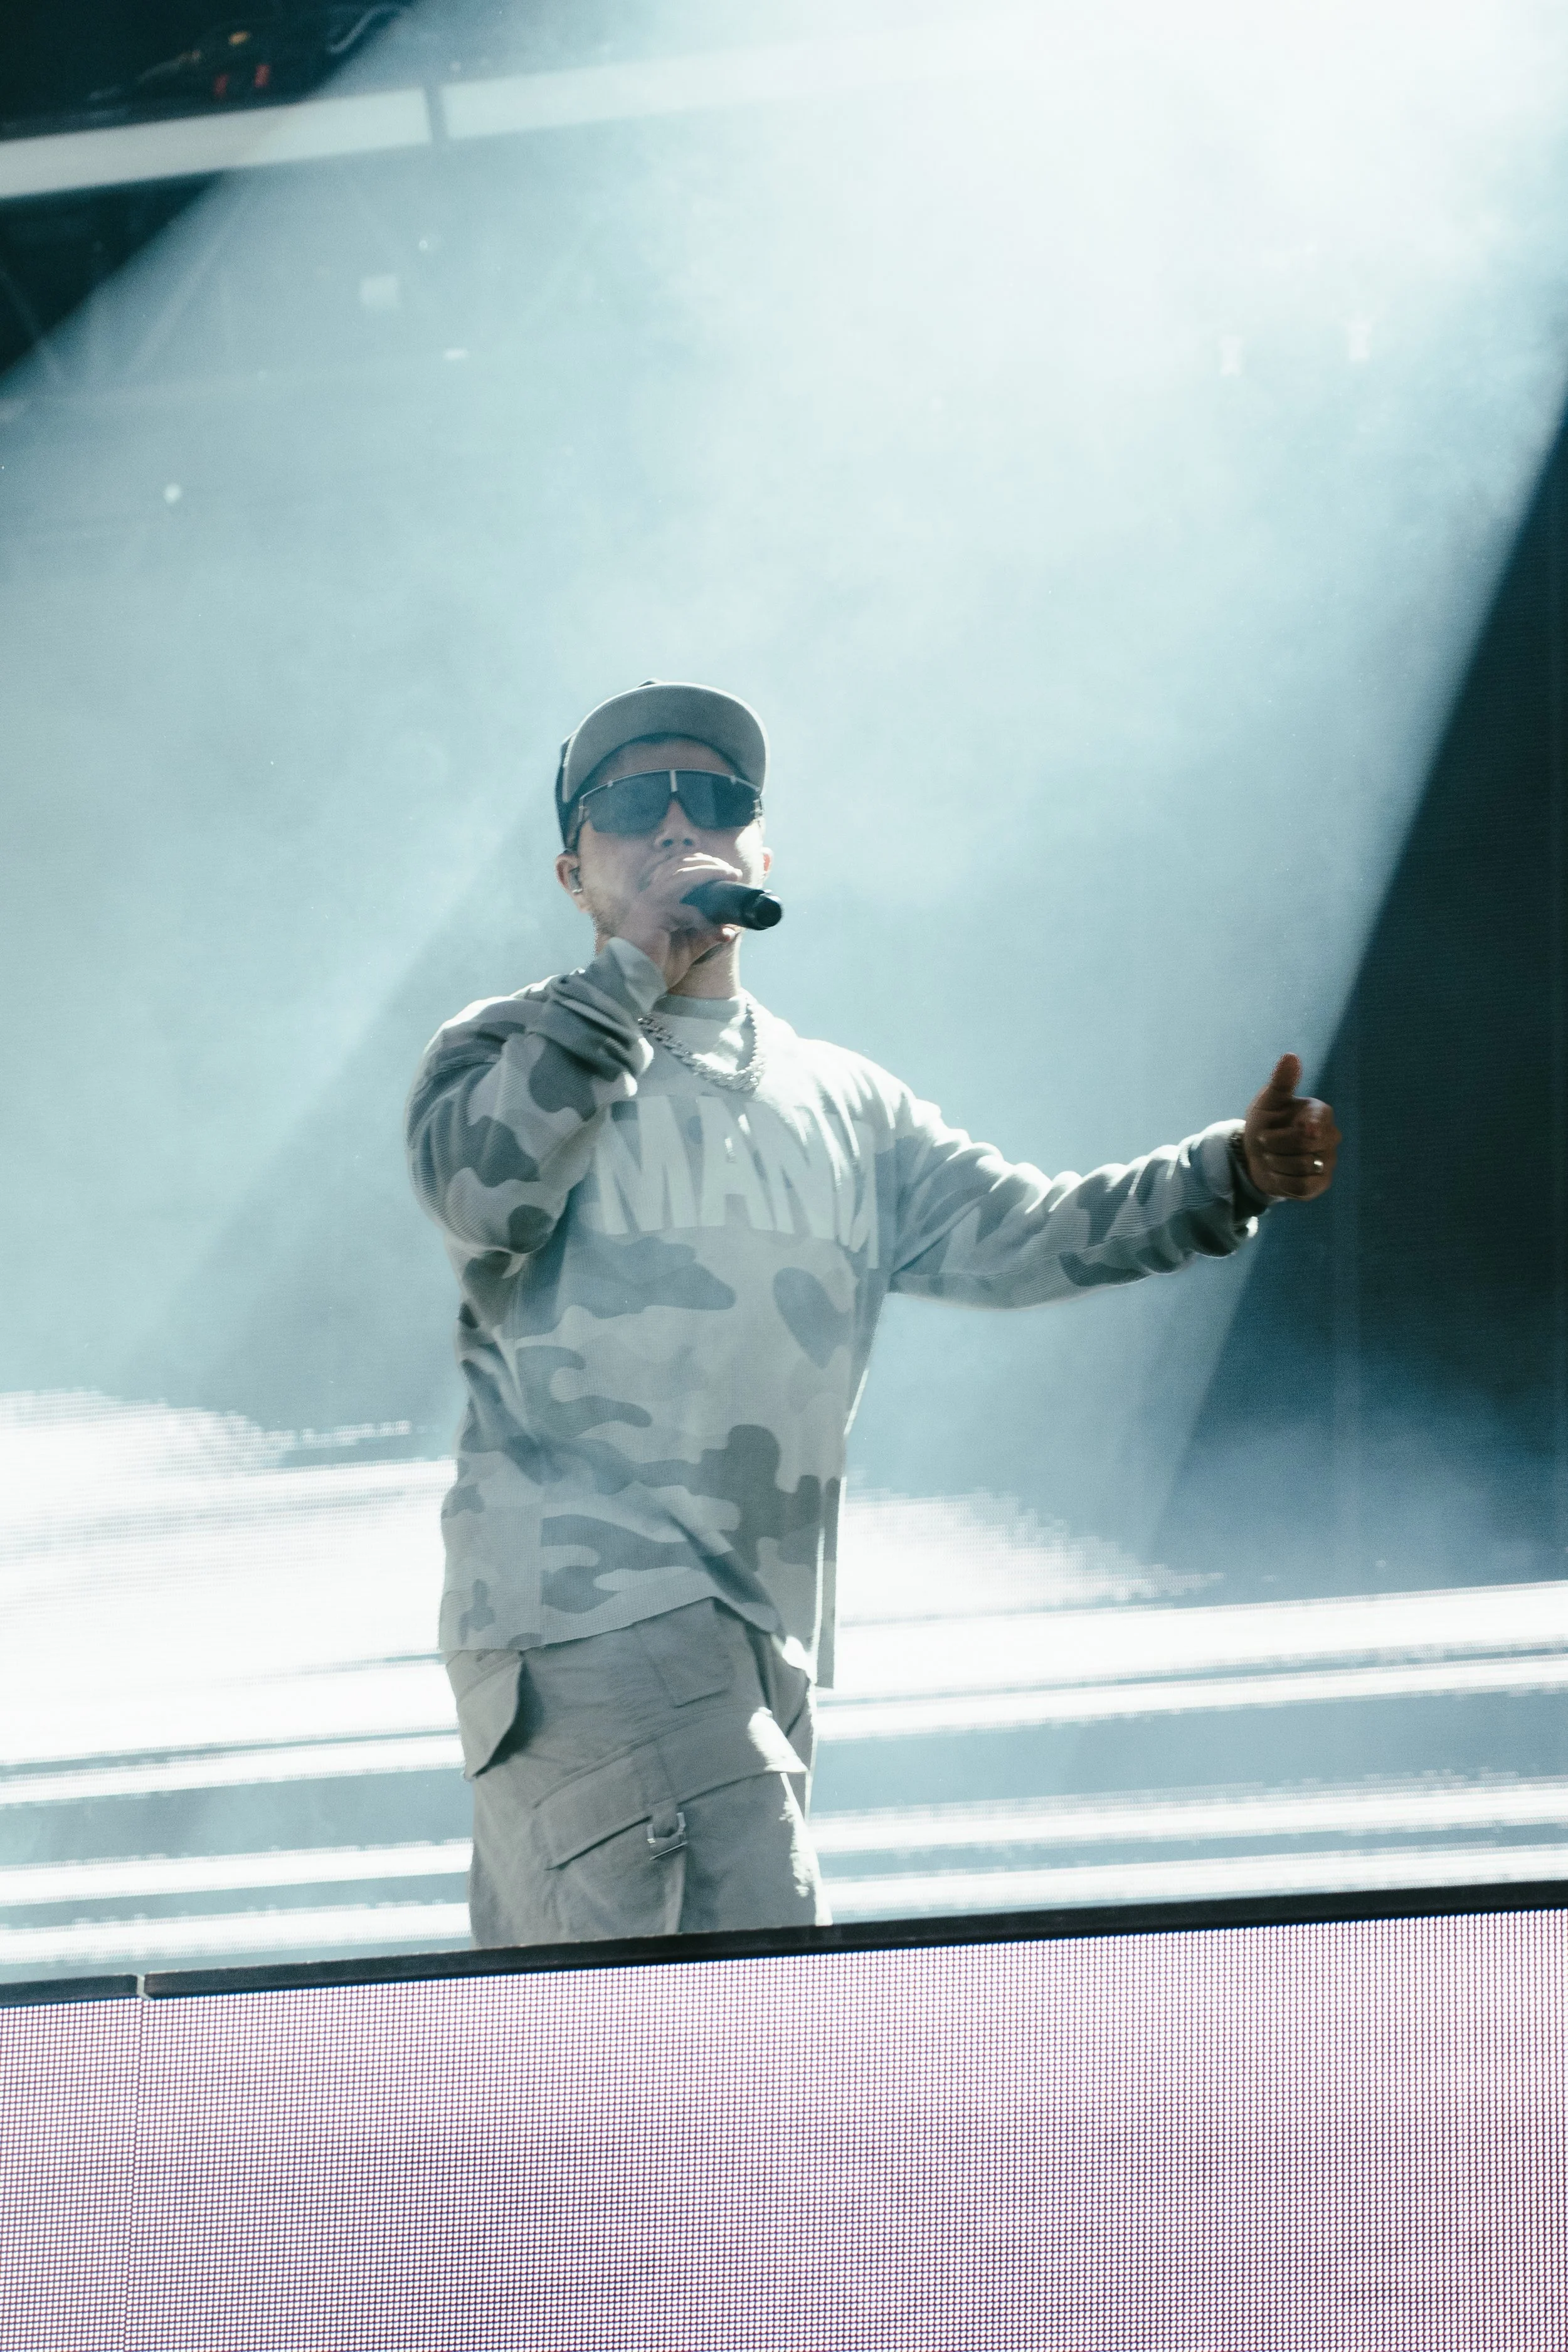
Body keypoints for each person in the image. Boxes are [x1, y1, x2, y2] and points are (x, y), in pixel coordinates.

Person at [405, 679, 1340, 1949]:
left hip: (757, 1638)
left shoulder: (842, 1100)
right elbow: (485, 1191)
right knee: (755, 2031)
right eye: (635, 802)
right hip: (587, 1619)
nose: (681, 819)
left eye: (717, 798)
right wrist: (638, 966)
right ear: (574, 870)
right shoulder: (508, 1045)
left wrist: (1227, 1172)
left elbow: (1025, 1234)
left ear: (761, 848)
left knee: (629, 2077)